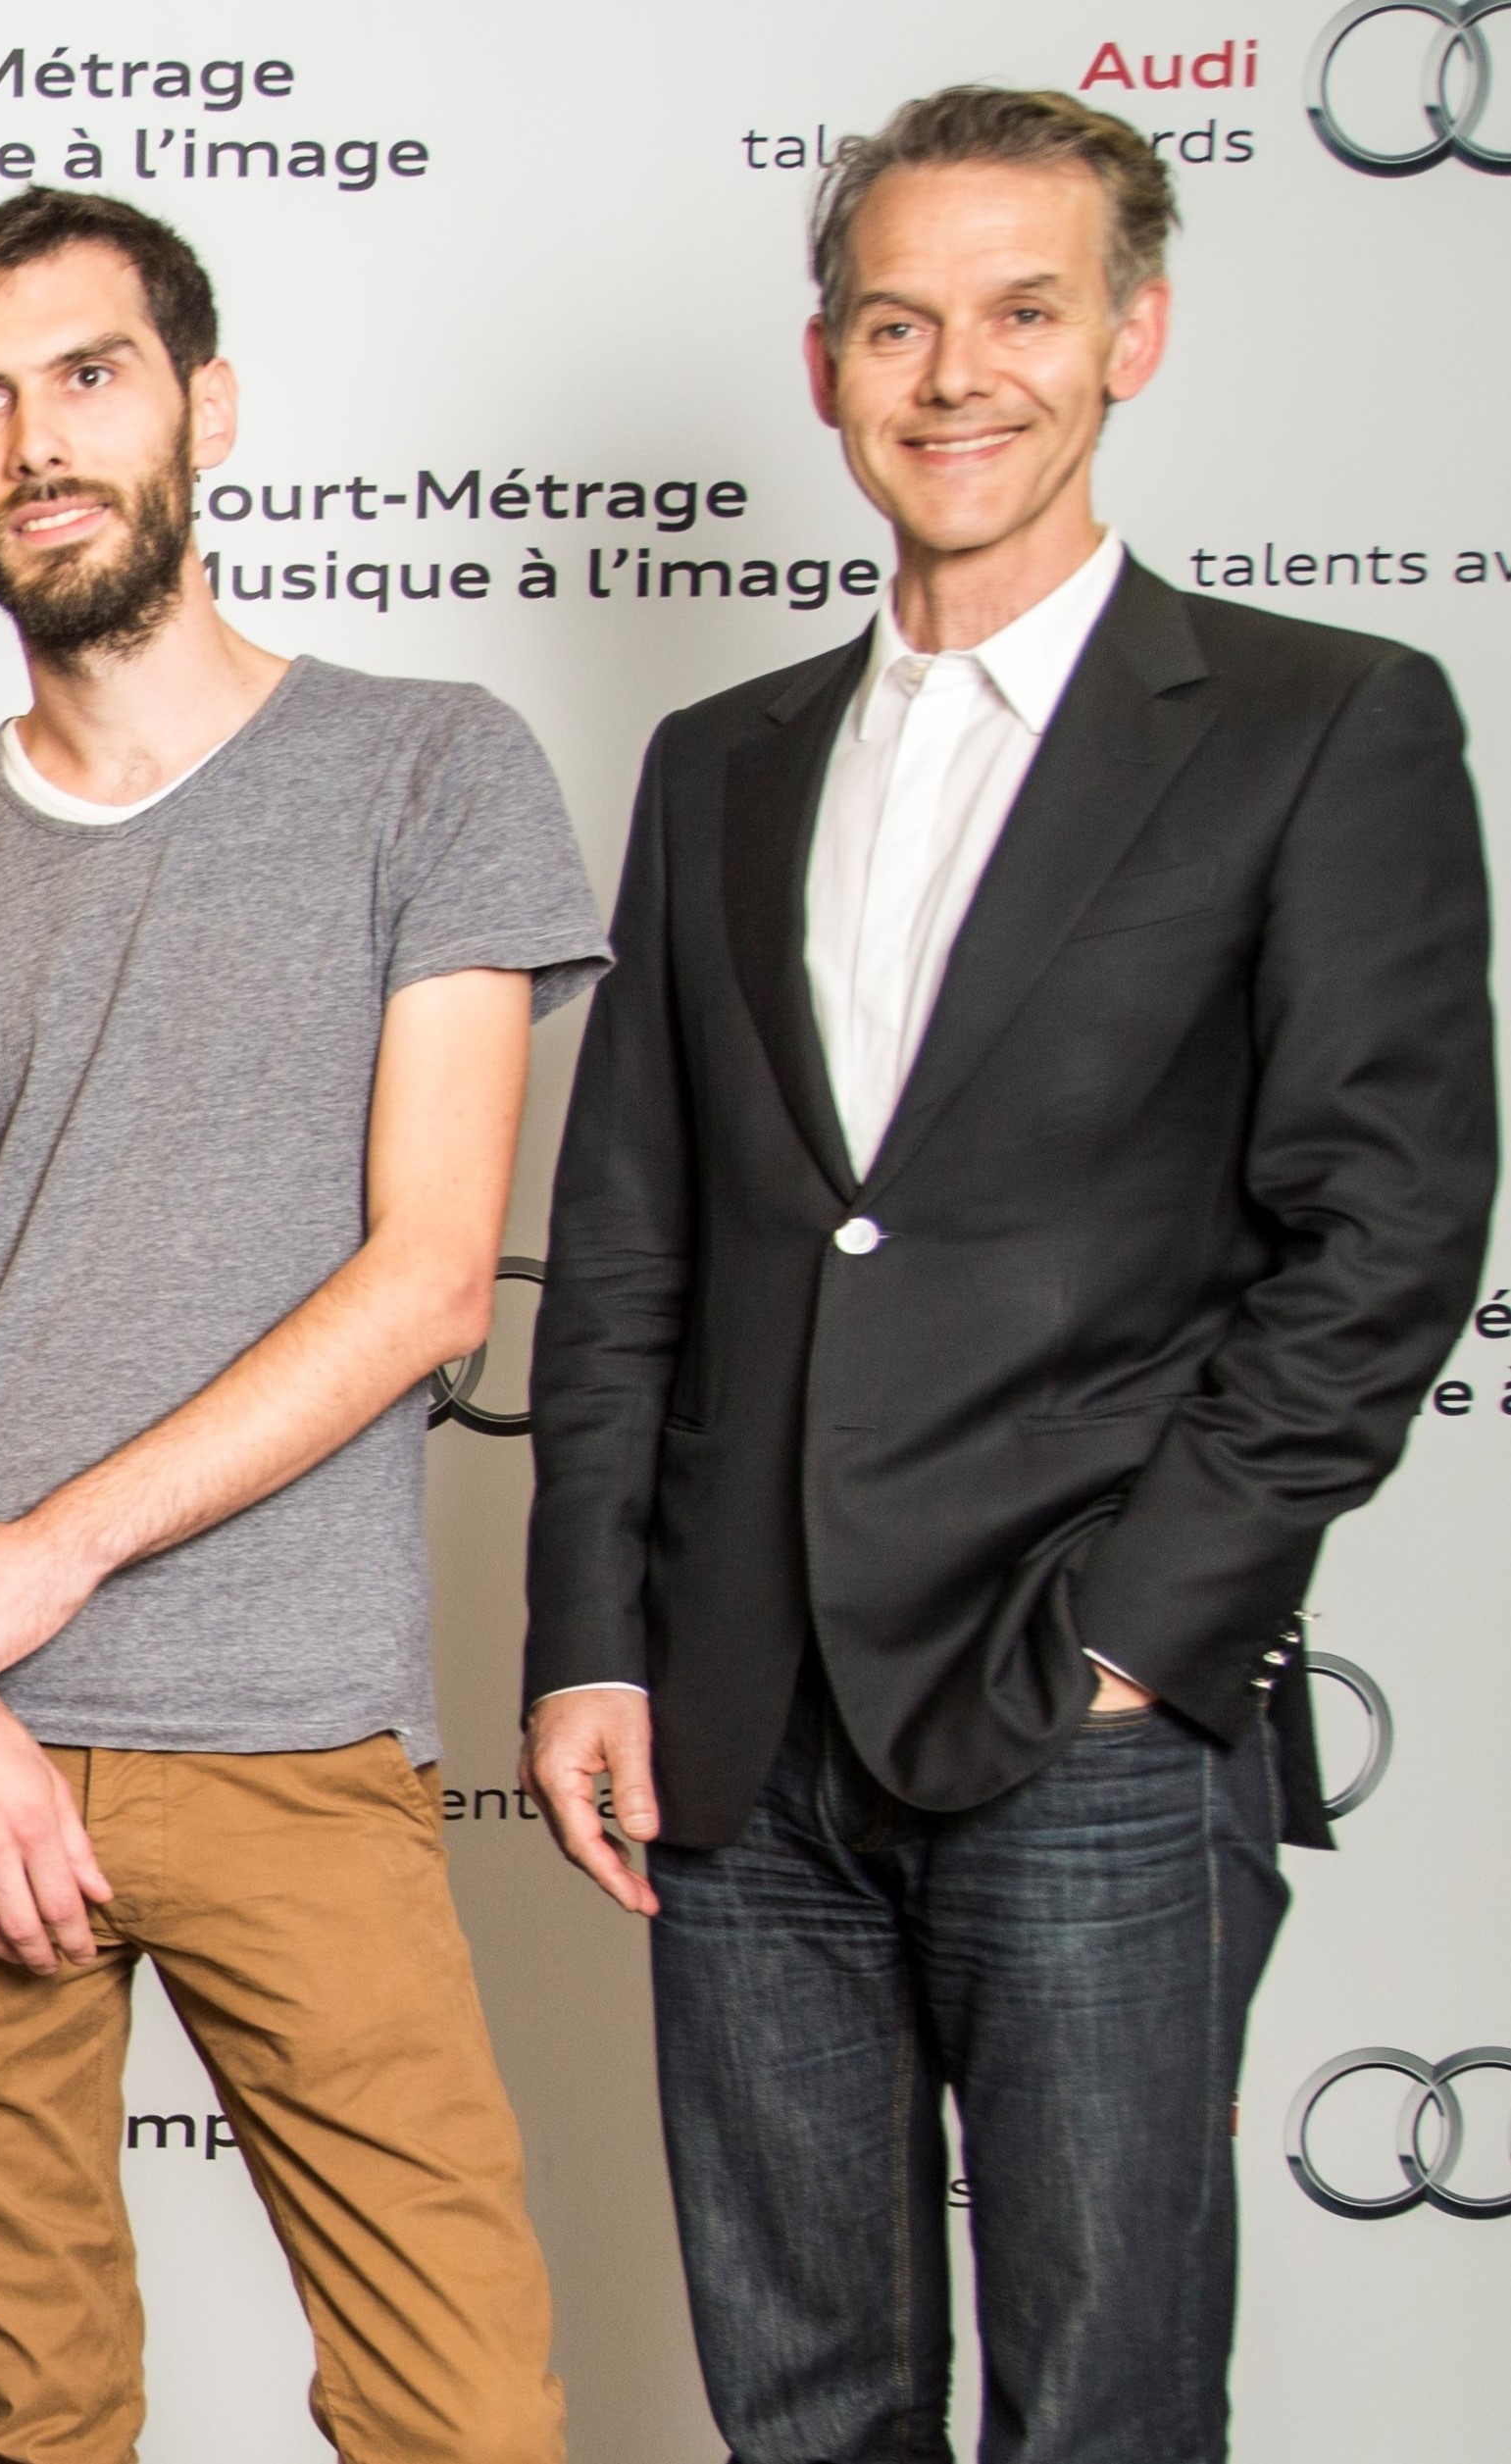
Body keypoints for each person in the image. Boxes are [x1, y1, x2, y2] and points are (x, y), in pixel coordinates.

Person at [524, 87, 1493, 2463]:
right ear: (822, 366)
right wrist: (590, 1644)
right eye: (895, 324)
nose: (954, 374)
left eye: (1020, 313)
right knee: (802, 2410)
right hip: (740, 1736)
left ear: (1128, 338)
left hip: (1083, 1718)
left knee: (1100, 2415)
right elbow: (628, 1240)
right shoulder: (717, 762)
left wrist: (1144, 1634)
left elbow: (1382, 1231)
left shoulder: (1318, 723)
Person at [0, 188, 596, 2464]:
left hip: (285, 1740)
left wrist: (40, 1567)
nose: (33, 440)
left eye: (86, 376)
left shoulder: (430, 769)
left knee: (464, 2417)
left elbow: (429, 1274)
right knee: (32, 2420)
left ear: (202, 409)